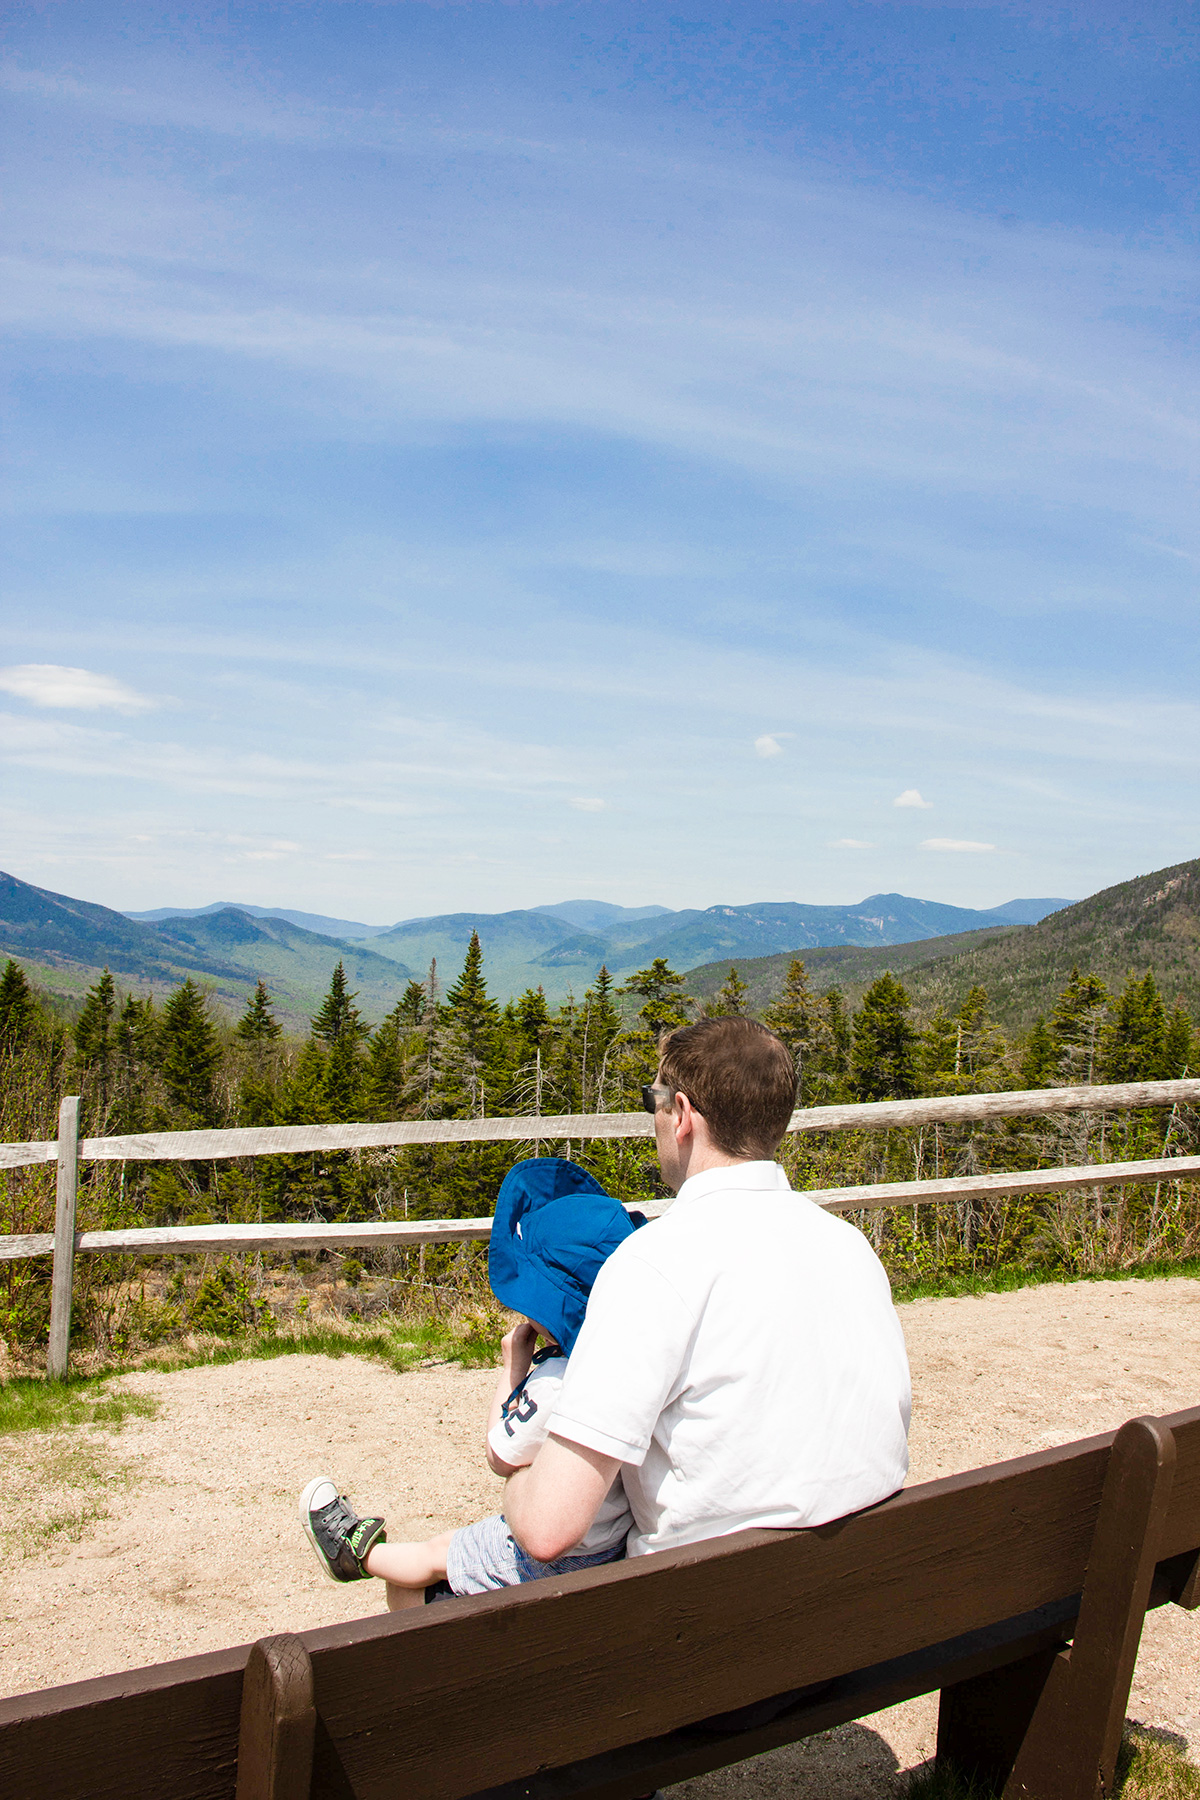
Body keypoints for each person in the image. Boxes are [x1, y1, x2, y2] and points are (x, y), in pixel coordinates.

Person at [500, 1015, 912, 1568]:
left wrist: (516, 1473)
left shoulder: (651, 1265)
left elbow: (549, 1529)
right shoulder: (851, 1247)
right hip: (870, 1589)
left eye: (654, 1101)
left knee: (440, 1582)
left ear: (684, 1115)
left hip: (708, 1617)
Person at [299, 1157, 639, 1607]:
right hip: (610, 1539)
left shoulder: (558, 1381)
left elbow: (500, 1453)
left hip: (562, 1555)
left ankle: (354, 1554)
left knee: (432, 1557)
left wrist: (512, 1369)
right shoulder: (627, 1361)